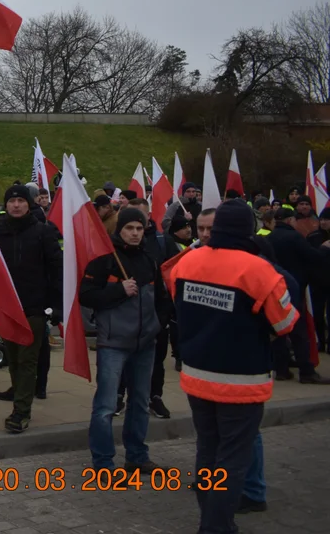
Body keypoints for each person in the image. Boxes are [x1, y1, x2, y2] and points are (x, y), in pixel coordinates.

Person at [166, 199, 299, 534]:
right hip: (241, 380)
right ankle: (216, 527)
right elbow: (285, 324)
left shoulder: (187, 261)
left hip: (197, 374)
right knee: (233, 460)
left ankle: (211, 520)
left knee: (208, 451)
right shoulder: (258, 270)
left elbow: (177, 301)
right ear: (249, 230)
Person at [81, 207, 171, 471]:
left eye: (139, 228)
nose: (134, 233)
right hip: (113, 343)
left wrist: (158, 324)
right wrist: (118, 290)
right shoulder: (104, 259)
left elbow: (163, 298)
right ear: (119, 229)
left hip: (145, 344)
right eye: (129, 228)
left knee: (140, 403)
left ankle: (137, 456)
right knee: (106, 406)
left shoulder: (149, 259)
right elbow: (86, 296)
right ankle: (103, 462)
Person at [0, 184, 63, 434]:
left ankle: (21, 411)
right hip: (6, 306)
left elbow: (57, 270)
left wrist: (57, 305)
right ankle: (20, 399)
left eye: (21, 200)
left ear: (29, 203)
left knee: (27, 359)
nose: (16, 205)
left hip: (34, 306)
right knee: (13, 358)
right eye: (11, 201)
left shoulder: (43, 232)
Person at [266, 206, 330, 383]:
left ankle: (281, 369)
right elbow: (313, 257)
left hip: (275, 289)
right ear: (289, 221)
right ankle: (307, 371)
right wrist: (324, 249)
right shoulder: (294, 237)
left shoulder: (270, 238)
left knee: (279, 328)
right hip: (295, 287)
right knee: (298, 331)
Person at [308, 208, 330, 352]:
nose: (323, 222)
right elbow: (309, 256)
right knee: (317, 314)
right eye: (321, 219)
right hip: (318, 281)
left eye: (326, 220)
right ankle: (320, 342)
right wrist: (323, 249)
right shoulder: (313, 237)